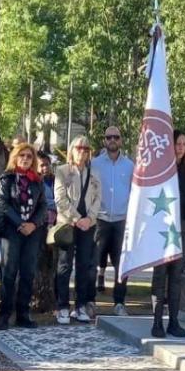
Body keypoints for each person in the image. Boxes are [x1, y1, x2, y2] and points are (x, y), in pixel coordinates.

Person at [150, 129, 185, 338]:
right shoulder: (162, 169)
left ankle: (173, 320)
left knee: (176, 275)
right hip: (163, 226)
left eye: (184, 144)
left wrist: (184, 204)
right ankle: (156, 322)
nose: (181, 147)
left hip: (182, 225)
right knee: (160, 274)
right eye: (177, 143)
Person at [0, 143, 47, 330]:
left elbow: (43, 206)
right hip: (12, 231)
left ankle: (23, 314)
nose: (25, 159)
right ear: (15, 157)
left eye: (29, 156)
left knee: (28, 273)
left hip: (32, 232)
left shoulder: (37, 180)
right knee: (9, 272)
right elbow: (1, 203)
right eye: (22, 155)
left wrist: (33, 224)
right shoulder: (7, 178)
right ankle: (4, 314)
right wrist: (19, 223)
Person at [53, 136, 101, 325]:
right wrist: (77, 218)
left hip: (87, 225)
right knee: (65, 266)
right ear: (72, 150)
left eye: (86, 149)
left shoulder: (94, 173)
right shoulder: (62, 171)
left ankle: (80, 305)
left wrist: (90, 218)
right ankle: (62, 306)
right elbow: (60, 198)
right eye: (79, 148)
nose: (83, 151)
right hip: (68, 224)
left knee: (84, 265)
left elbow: (98, 197)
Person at [90, 126, 133, 316]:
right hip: (100, 219)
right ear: (104, 140)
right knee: (93, 261)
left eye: (116, 137)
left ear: (121, 140)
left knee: (121, 264)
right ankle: (90, 301)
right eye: (109, 137)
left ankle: (119, 302)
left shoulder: (130, 165)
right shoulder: (95, 164)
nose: (112, 140)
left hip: (122, 220)